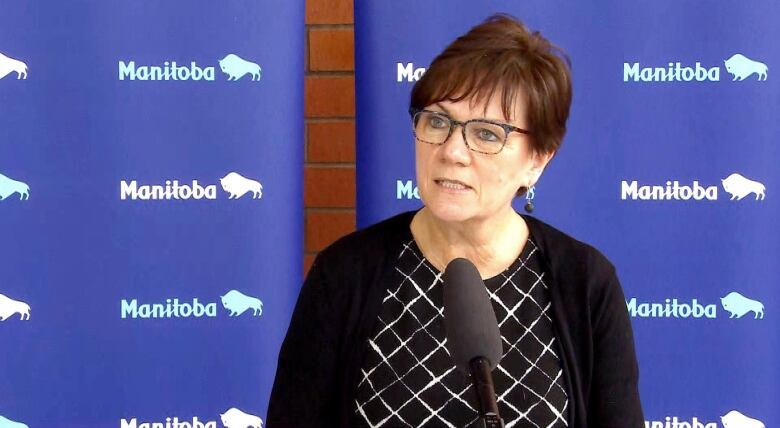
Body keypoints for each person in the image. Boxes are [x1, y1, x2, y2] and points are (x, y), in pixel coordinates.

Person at [268, 14, 643, 427]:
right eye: (438, 121)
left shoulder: (586, 284)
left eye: (486, 133)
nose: (452, 151)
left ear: (537, 160)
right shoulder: (344, 275)